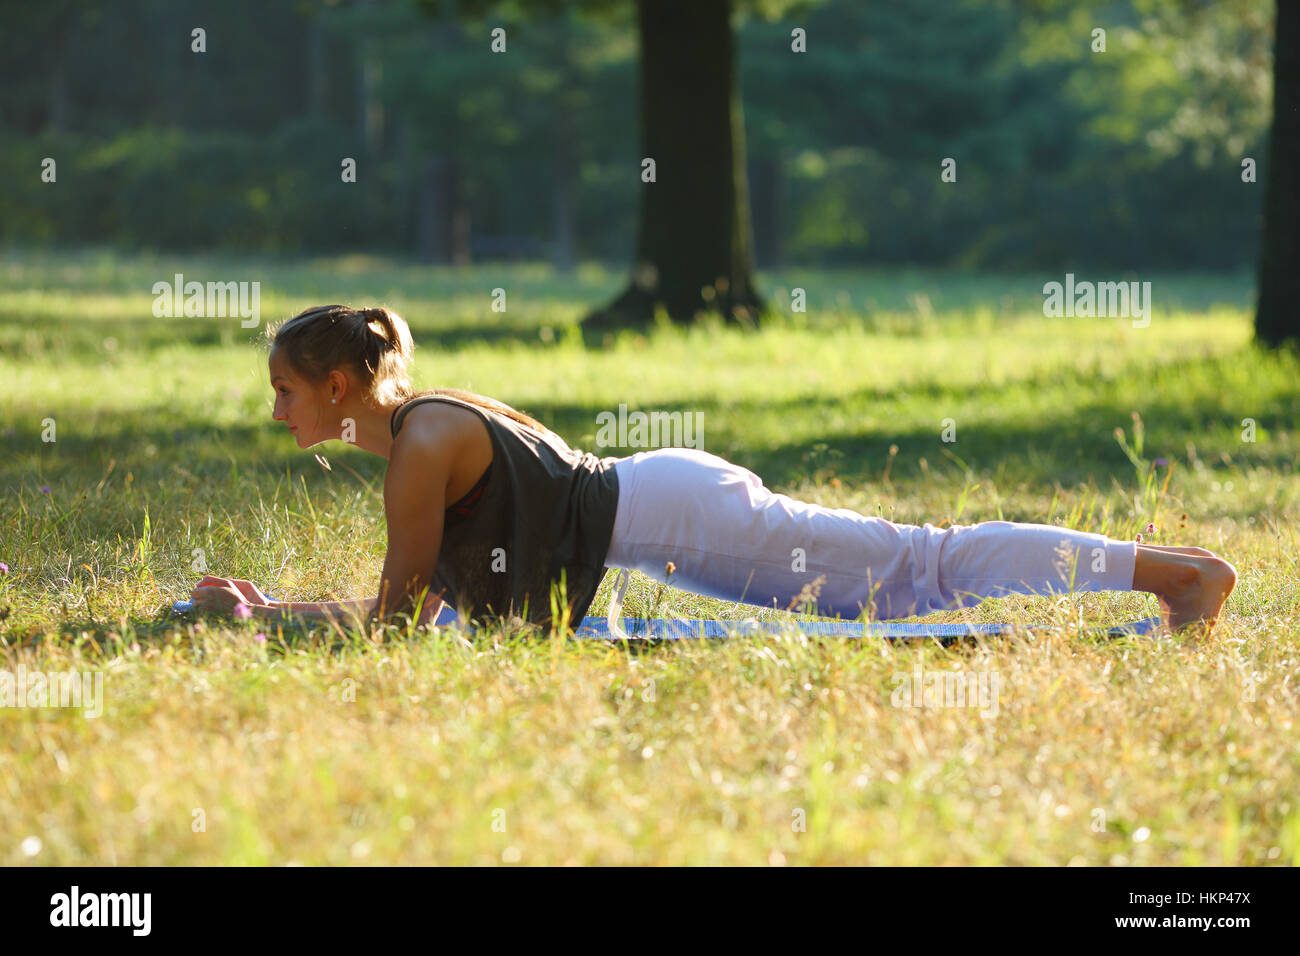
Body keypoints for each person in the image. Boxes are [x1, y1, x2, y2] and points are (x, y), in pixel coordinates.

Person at [190, 304, 1237, 637]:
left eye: (284, 387)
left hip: (677, 514)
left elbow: (398, 614)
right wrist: (268, 605)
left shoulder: (420, 447)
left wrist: (270, 621)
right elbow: (421, 614)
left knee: (920, 566)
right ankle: (1171, 575)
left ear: (335, 384)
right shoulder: (418, 436)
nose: (274, 407)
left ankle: (1179, 574)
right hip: (665, 517)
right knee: (906, 582)